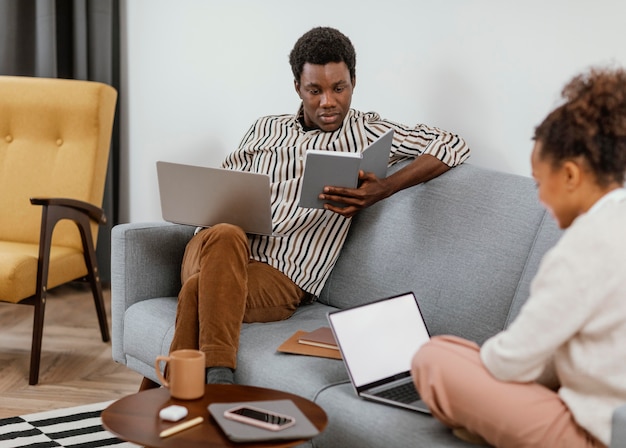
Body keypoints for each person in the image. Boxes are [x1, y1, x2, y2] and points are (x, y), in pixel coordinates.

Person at [167, 26, 470, 386]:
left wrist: (384, 188)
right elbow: (217, 190)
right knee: (227, 233)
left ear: (353, 82)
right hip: (213, 247)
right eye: (315, 90)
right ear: (297, 87)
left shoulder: (368, 132)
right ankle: (219, 377)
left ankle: (175, 388)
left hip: (281, 275)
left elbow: (451, 144)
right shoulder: (263, 128)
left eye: (338, 88)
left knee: (198, 290)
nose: (328, 101)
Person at [411, 66, 626, 448]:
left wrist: (487, 358)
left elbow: (507, 363)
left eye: (541, 183)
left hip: (598, 435)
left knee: (433, 358)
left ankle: (483, 421)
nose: (540, 199)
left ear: (572, 175)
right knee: (462, 351)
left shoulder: (584, 246)